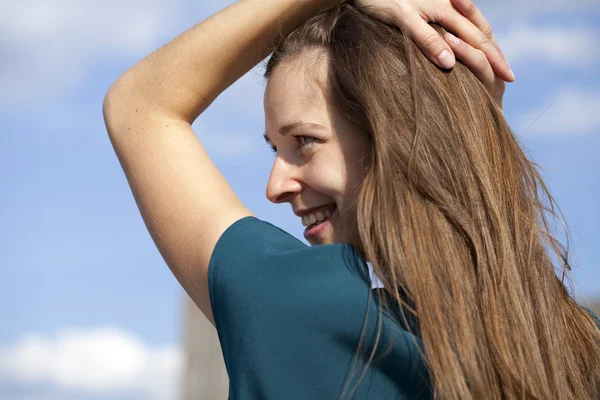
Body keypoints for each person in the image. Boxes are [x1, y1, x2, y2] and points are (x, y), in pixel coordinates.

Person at [103, 0, 600, 398]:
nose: (274, 187)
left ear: (399, 139)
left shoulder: (306, 311)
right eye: (276, 150)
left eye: (304, 142)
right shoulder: (575, 344)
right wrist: (468, 126)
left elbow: (140, 104)